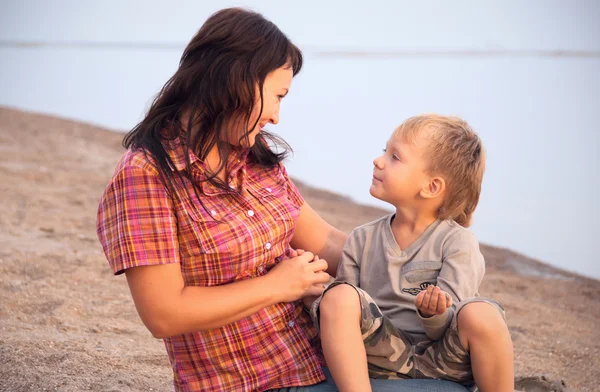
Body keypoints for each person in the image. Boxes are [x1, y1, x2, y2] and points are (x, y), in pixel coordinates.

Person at [96, 7, 472, 392]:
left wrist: (430, 264)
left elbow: (328, 243)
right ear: (234, 82)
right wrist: (278, 286)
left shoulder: (252, 156)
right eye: (276, 96)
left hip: (328, 356)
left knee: (469, 364)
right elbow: (164, 314)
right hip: (258, 381)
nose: (276, 116)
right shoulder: (146, 176)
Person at [310, 115, 514, 392]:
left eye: (395, 157)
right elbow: (345, 314)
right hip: (382, 355)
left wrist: (434, 314)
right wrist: (316, 296)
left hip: (442, 357)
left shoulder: (458, 243)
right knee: (338, 294)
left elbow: (450, 324)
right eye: (385, 150)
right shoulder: (362, 238)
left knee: (482, 313)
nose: (378, 160)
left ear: (431, 186)